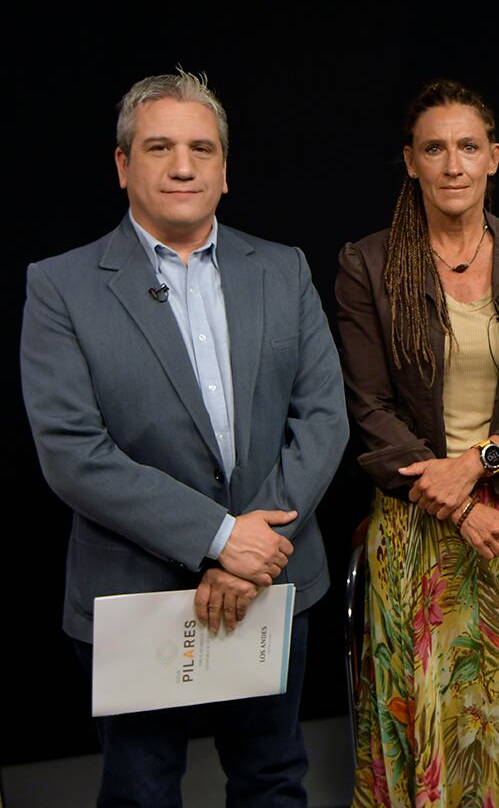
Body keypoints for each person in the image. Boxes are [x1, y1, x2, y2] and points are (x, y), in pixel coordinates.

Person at [20, 69, 348, 805]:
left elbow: (323, 416)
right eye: (159, 146)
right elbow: (72, 452)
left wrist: (250, 552)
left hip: (272, 577)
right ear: (121, 164)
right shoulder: (60, 286)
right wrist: (219, 537)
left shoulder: (284, 269)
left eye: (201, 148)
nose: (182, 165)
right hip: (136, 593)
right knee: (142, 790)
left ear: (224, 171)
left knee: (272, 778)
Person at [335, 79, 499, 808]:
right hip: (419, 521)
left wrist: (478, 464)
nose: (452, 164)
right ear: (411, 161)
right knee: (435, 717)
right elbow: (370, 410)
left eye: (467, 147)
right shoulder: (367, 264)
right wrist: (453, 503)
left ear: (494, 158)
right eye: (434, 149)